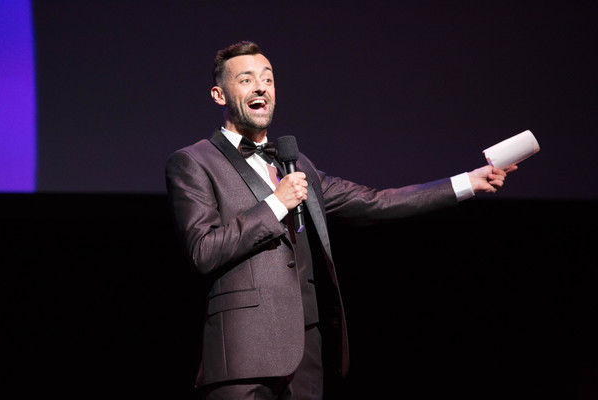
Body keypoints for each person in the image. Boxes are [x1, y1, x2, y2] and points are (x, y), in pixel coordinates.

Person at [165, 41, 517, 400]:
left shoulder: (297, 165)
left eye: (268, 80)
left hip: (306, 356)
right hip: (242, 358)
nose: (261, 88)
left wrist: (467, 183)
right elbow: (203, 250)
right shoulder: (193, 162)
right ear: (219, 94)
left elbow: (377, 201)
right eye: (247, 80)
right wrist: (275, 205)